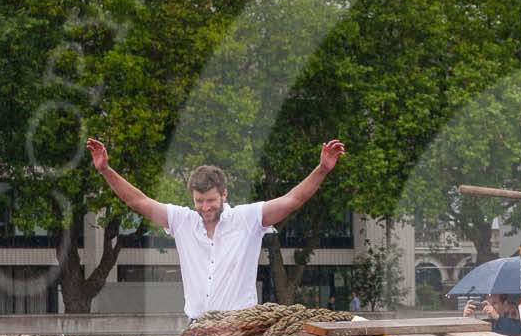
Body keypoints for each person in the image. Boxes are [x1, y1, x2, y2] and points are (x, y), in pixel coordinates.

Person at [86, 137, 345, 322]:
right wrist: (106, 170)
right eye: (199, 201)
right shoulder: (183, 221)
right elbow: (138, 201)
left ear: (224, 195)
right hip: (198, 326)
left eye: (211, 201)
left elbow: (292, 200)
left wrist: (322, 169)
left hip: (240, 326)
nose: (205, 207)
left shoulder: (247, 218)